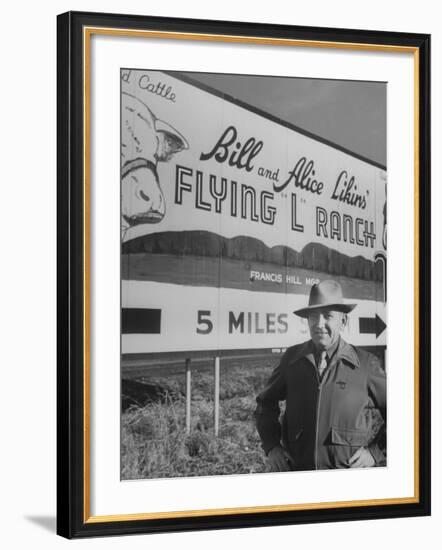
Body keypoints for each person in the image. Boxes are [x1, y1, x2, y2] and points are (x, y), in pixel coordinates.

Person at [255, 279, 386, 471]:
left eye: (328, 316)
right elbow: (265, 404)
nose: (319, 324)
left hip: (348, 484)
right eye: (313, 316)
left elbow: (405, 412)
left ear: (343, 320)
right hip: (299, 477)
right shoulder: (292, 360)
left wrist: (376, 452)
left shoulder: (365, 365)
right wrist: (272, 446)